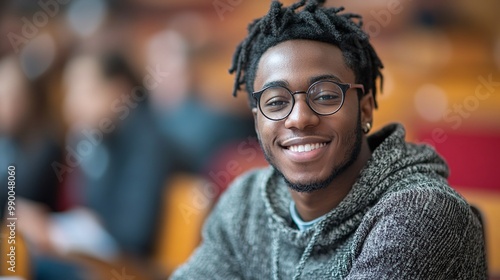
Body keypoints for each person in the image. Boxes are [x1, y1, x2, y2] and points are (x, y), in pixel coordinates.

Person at [171, 1, 487, 279]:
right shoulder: (245, 203)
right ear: (256, 120)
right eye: (276, 102)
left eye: (324, 96)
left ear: (365, 109)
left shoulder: (422, 214)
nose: (299, 118)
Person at [0, 54, 61, 219]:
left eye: (14, 97)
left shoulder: (47, 148)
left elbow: (20, 196)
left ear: (30, 98)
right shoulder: (5, 140)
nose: (6, 105)